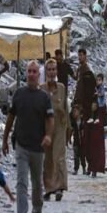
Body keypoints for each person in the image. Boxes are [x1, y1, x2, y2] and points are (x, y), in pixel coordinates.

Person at [2, 61, 55, 213]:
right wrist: (5, 139)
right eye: (29, 71)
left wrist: (48, 135)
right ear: (26, 74)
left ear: (38, 75)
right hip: (22, 146)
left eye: (34, 72)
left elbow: (50, 119)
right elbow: (10, 118)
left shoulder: (44, 97)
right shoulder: (18, 94)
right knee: (21, 182)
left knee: (37, 184)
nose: (32, 74)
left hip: (38, 148)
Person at [41, 59, 69, 202]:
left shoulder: (62, 88)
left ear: (57, 71)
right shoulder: (41, 89)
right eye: (49, 70)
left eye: (54, 69)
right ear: (46, 72)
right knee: (47, 159)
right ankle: (48, 188)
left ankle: (59, 187)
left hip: (59, 126)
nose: (52, 72)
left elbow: (65, 108)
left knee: (58, 156)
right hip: (45, 128)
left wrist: (68, 127)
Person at [84, 100, 106, 177]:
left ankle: (94, 170)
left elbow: (101, 125)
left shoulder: (99, 115)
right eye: (92, 105)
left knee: (95, 154)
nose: (92, 107)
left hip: (96, 139)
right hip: (90, 137)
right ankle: (89, 169)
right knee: (89, 153)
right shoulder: (90, 114)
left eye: (94, 105)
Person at [74, 48, 96, 116]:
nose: (79, 57)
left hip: (85, 102)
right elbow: (78, 84)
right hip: (79, 100)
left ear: (85, 56)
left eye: (81, 55)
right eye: (78, 55)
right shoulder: (79, 69)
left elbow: (91, 87)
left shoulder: (87, 70)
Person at [69, 105, 86, 175]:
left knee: (82, 156)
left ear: (79, 112)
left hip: (82, 141)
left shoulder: (83, 121)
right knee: (76, 156)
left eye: (75, 111)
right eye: (73, 112)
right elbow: (71, 130)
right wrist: (69, 138)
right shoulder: (73, 122)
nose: (74, 113)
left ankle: (84, 168)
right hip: (76, 141)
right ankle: (76, 169)